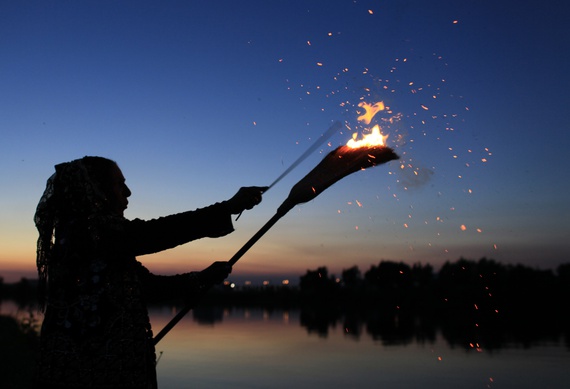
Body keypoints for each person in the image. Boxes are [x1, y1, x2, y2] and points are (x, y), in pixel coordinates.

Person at [33, 156, 267, 388]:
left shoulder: (98, 241)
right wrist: (227, 208)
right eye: (119, 184)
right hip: (92, 375)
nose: (128, 192)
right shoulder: (86, 234)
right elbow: (153, 234)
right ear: (97, 190)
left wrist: (202, 277)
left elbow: (148, 288)